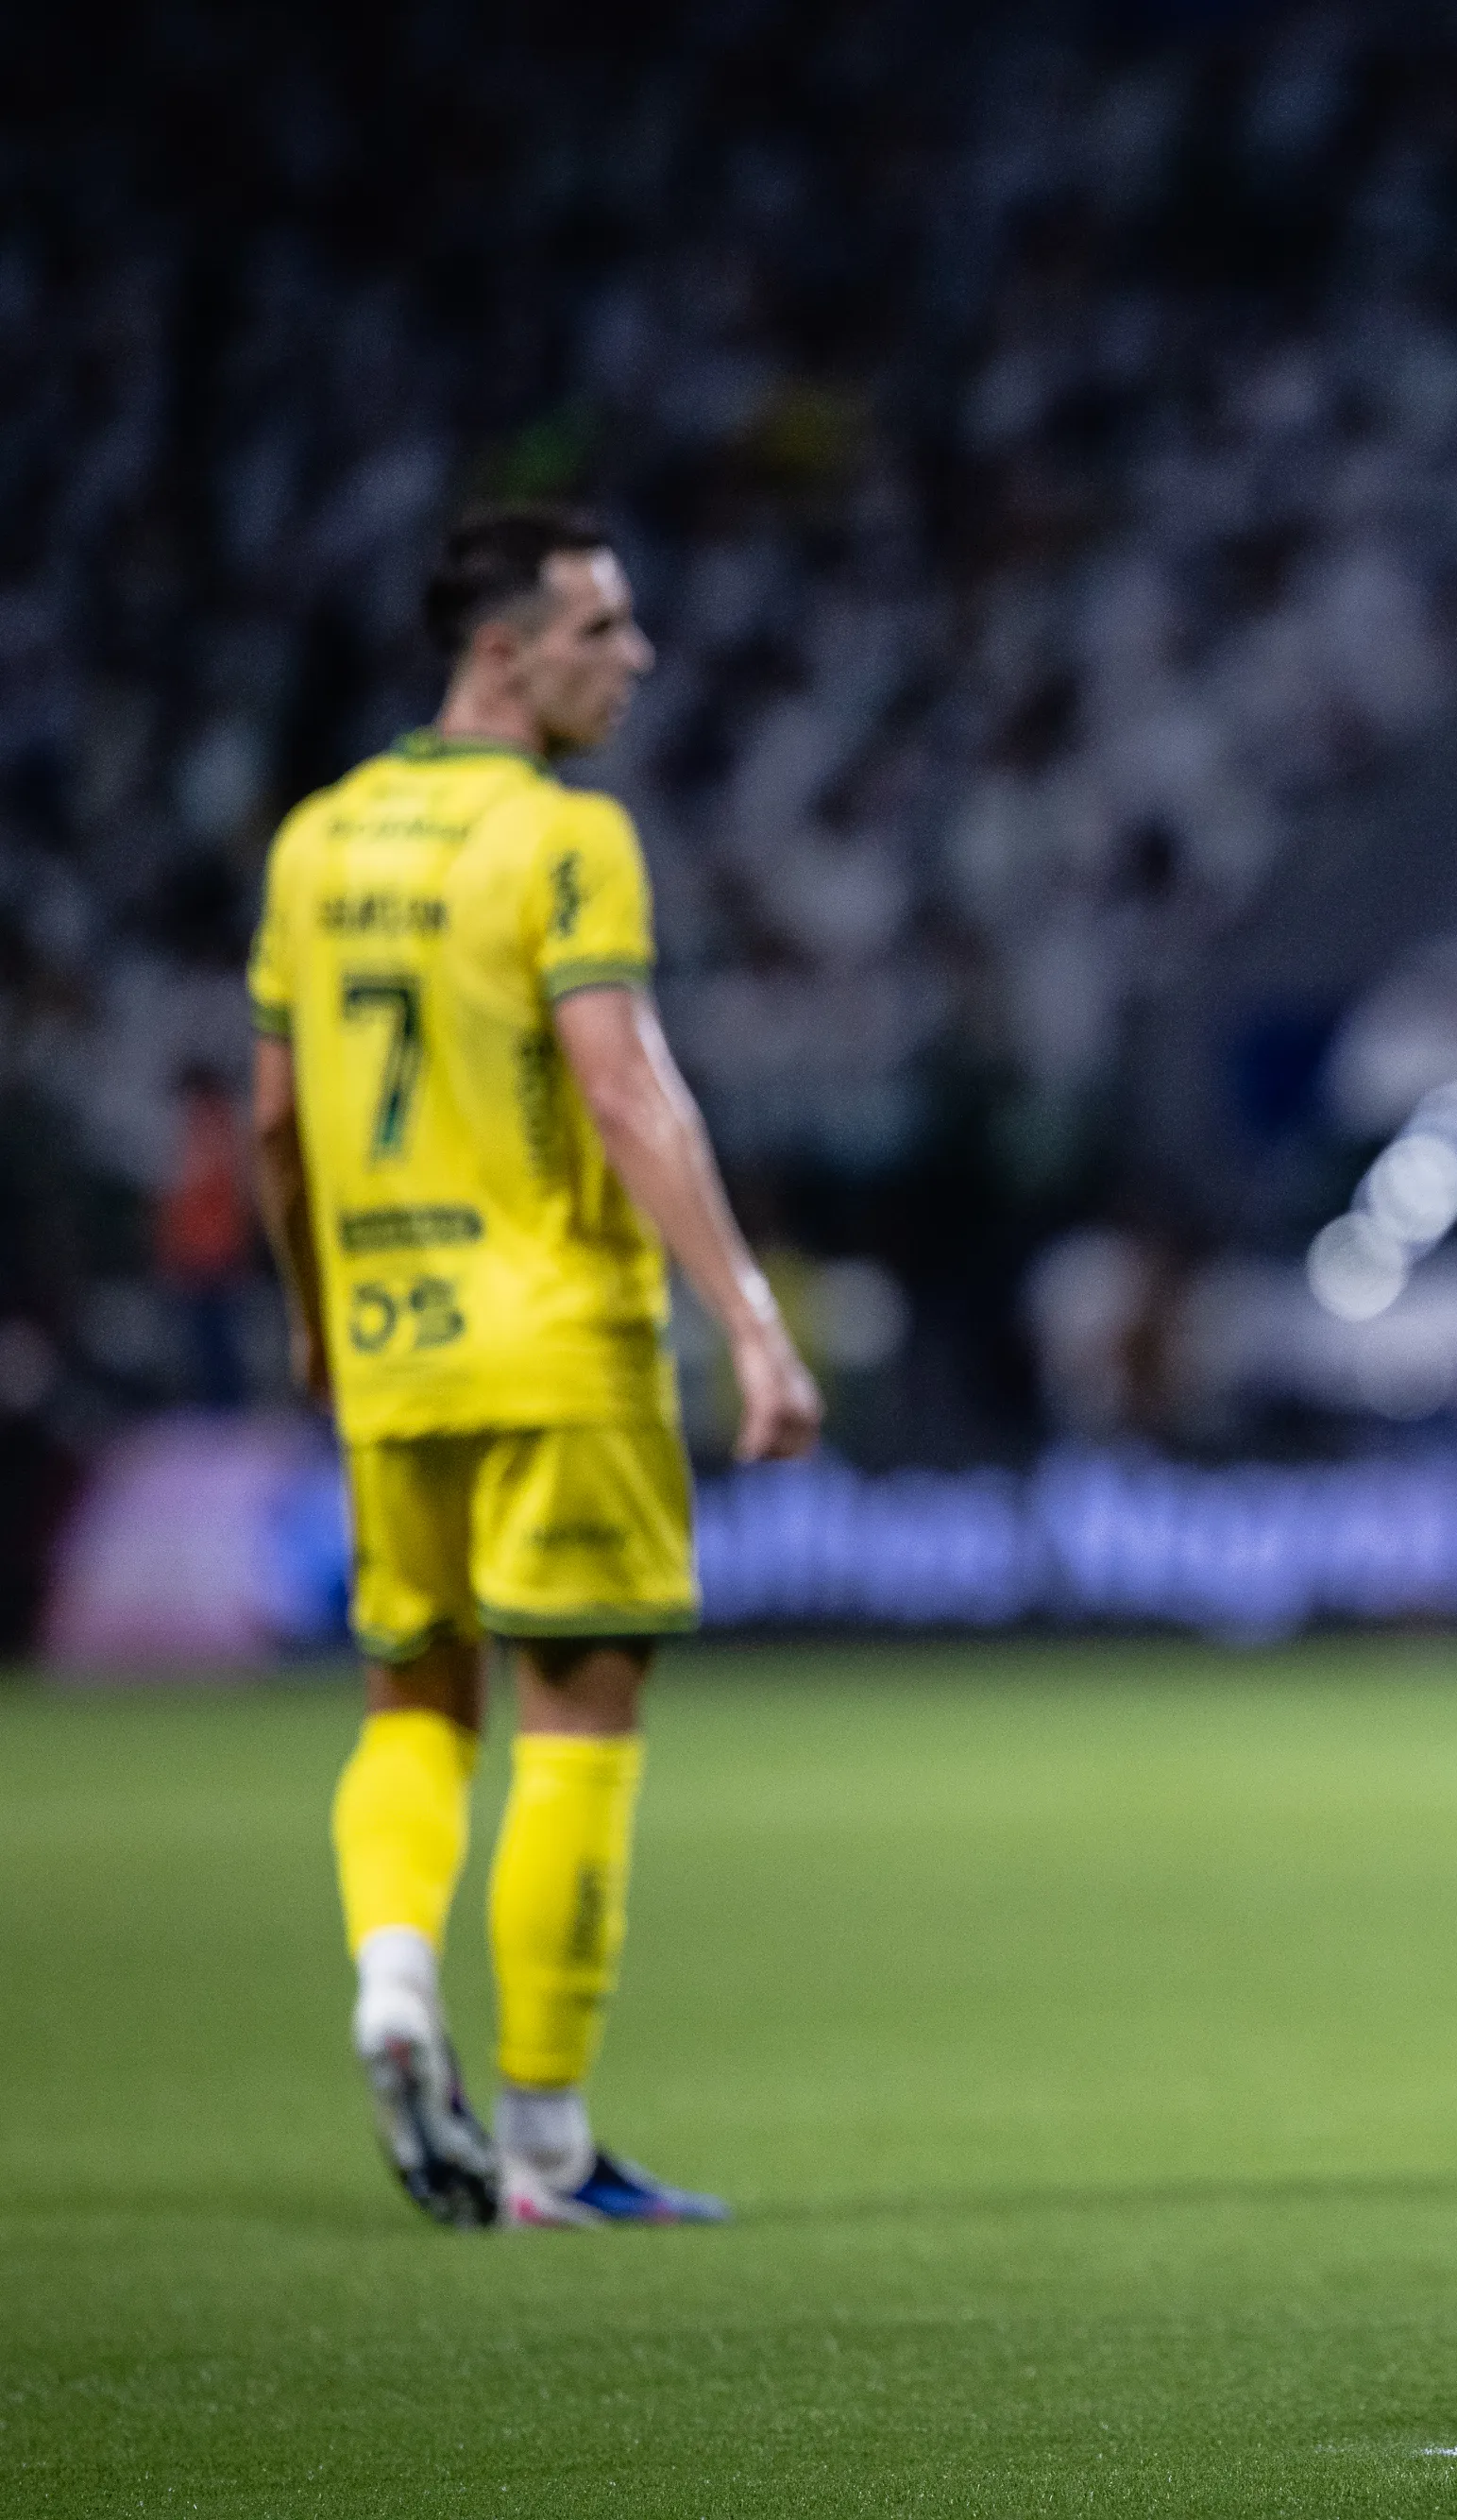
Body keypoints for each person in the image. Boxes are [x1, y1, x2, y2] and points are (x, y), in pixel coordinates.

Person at [248, 503, 824, 2229]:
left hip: (393, 1354)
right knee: (579, 1720)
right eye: (603, 630)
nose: (634, 660)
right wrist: (751, 1317)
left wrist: (310, 1310)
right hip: (560, 1347)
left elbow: (278, 1124)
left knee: (412, 1700)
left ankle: (394, 1978)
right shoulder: (564, 838)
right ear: (504, 651)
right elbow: (625, 1086)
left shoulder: (314, 841)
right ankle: (551, 2150)